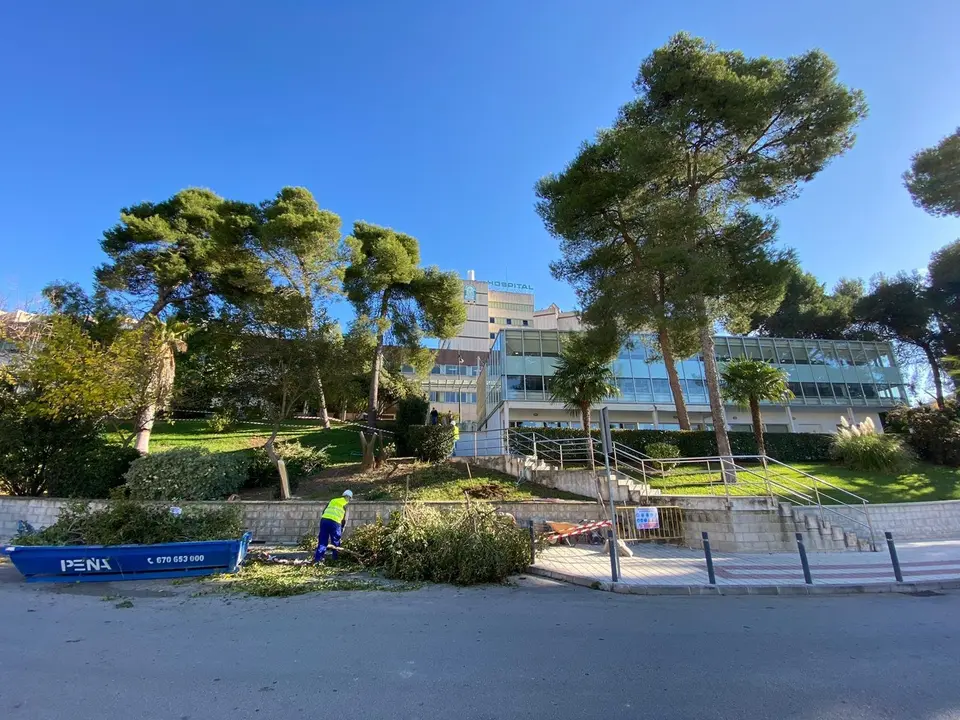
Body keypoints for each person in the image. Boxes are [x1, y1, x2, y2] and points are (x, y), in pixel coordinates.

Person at [313, 489, 352, 564]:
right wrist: (342, 528)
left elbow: (324, 511)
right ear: (349, 498)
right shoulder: (346, 505)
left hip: (324, 521)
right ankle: (335, 560)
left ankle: (318, 560)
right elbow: (345, 519)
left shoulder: (332, 500)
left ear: (343, 495)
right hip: (335, 523)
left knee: (322, 541)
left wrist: (325, 519)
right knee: (336, 542)